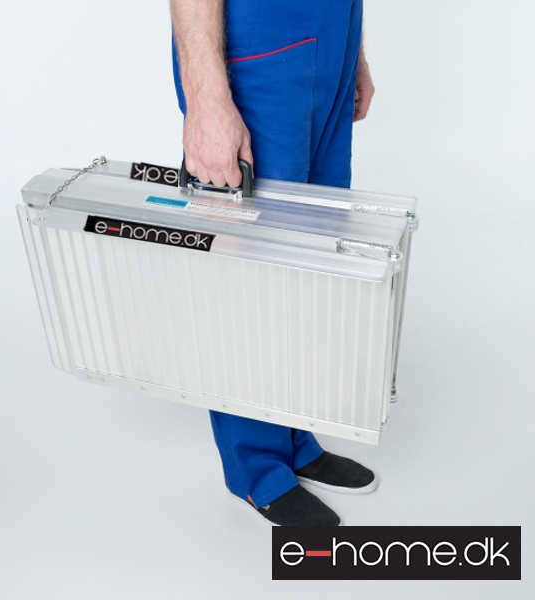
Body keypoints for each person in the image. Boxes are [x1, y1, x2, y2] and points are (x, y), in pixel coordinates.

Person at [170, 0, 377, 526]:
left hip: (331, 35)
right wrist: (206, 98)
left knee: (306, 266)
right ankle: (256, 467)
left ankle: (293, 437)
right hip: (259, 45)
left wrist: (354, 53)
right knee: (250, 276)